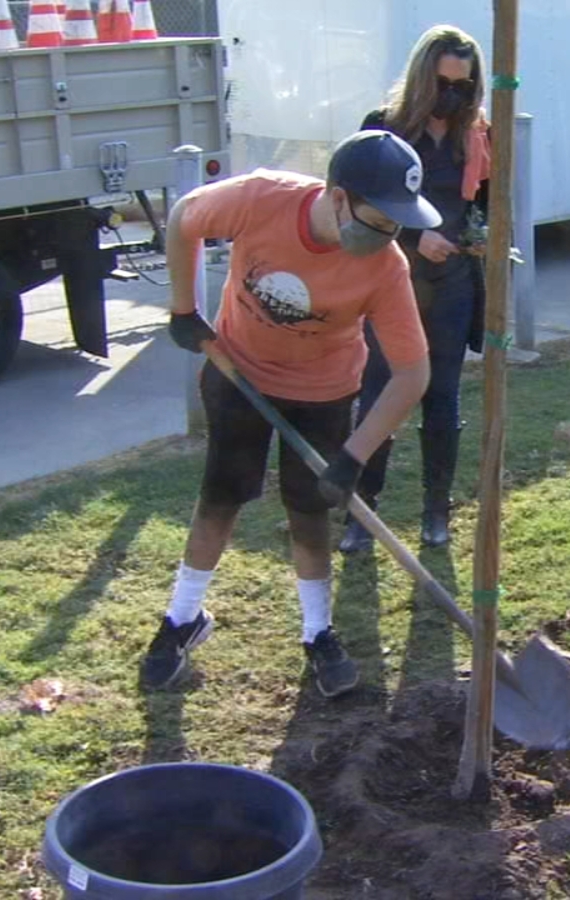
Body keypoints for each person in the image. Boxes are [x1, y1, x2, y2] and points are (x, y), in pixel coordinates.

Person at [143, 130, 441, 697]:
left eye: (397, 223)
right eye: (378, 218)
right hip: (238, 374)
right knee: (222, 497)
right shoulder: (261, 199)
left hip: (324, 392)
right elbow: (184, 216)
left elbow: (412, 374)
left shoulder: (386, 267)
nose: (387, 234)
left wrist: (355, 455)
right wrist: (183, 307)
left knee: (309, 510)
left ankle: (317, 632)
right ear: (336, 197)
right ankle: (182, 620)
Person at [338, 24, 491, 553]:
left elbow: (488, 206)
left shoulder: (477, 135)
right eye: (445, 84)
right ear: (423, 78)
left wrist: (483, 239)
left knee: (443, 397)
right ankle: (362, 513)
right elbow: (354, 204)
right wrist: (412, 235)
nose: (453, 96)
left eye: (464, 87)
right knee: (379, 395)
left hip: (451, 284)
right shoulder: (382, 130)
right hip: (390, 280)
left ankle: (435, 512)